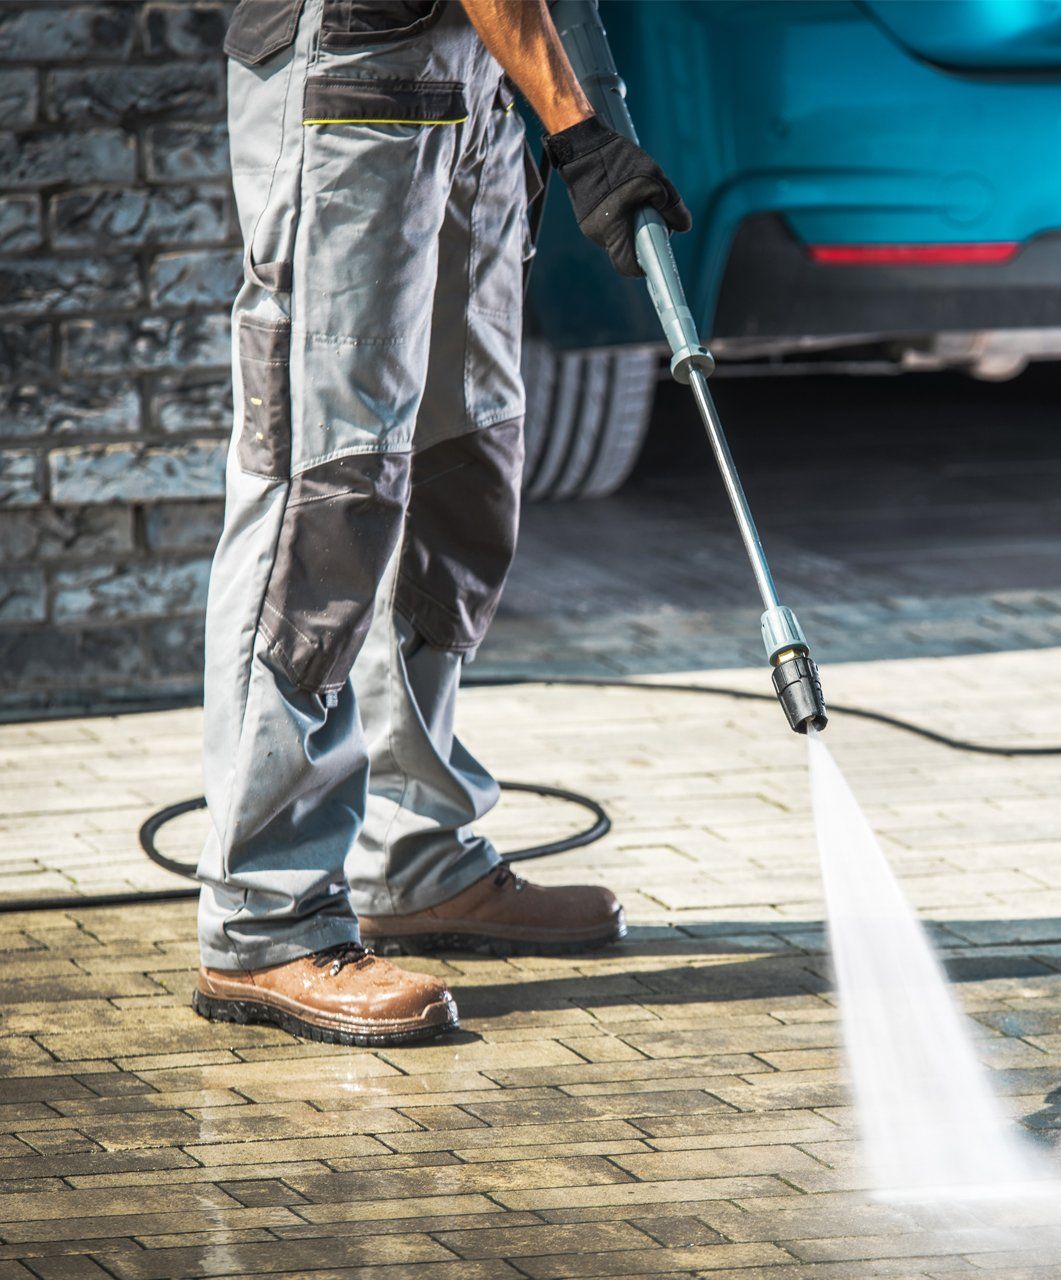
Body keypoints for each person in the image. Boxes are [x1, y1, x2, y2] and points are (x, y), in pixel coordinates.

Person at [192, 0, 689, 1046]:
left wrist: (577, 102)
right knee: (327, 490)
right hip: (350, 72)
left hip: (474, 84)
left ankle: (413, 851)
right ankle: (266, 912)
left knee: (464, 472)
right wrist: (578, 125)